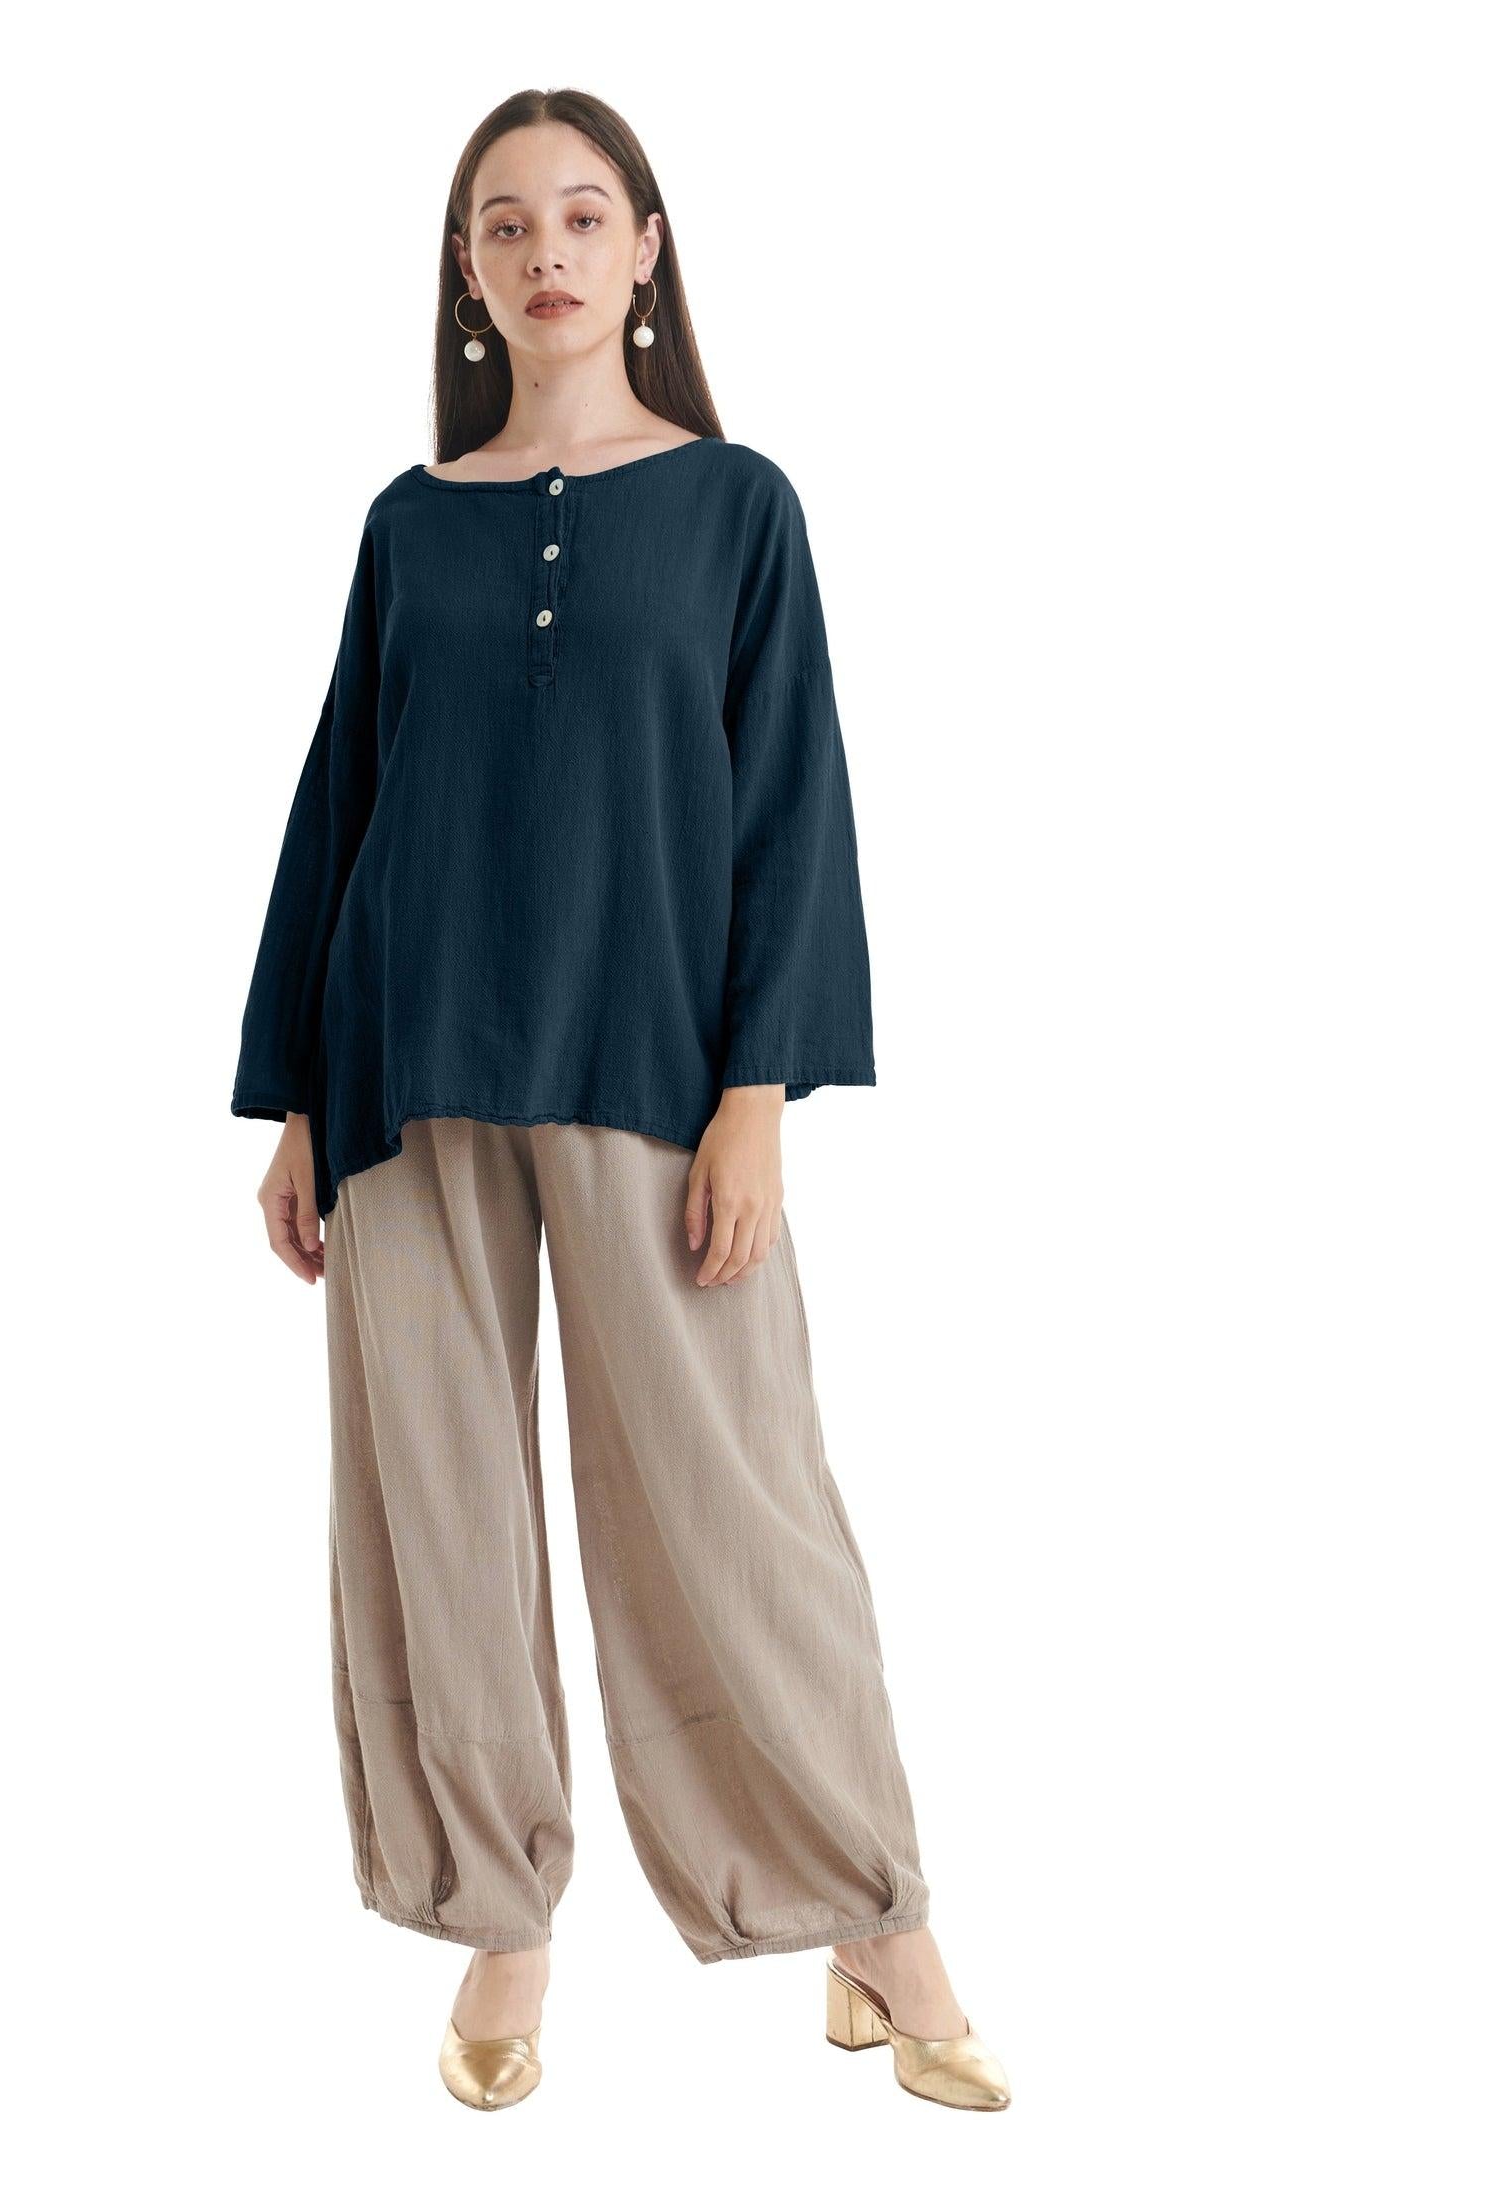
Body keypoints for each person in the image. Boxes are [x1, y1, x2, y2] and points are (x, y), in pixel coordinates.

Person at [232, 86, 1011, 2116]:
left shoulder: (739, 507)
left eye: (583, 216)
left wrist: (759, 1089)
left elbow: (791, 801)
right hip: (405, 1068)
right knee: (439, 1507)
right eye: (506, 224)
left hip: (657, 1065)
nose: (546, 252)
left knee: (737, 1504)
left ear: (646, 250)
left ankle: (874, 1917)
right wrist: (294, 1093)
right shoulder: (410, 524)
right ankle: (500, 1916)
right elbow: (342, 804)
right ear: (468, 271)